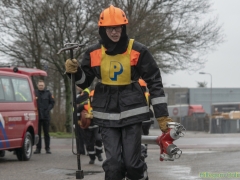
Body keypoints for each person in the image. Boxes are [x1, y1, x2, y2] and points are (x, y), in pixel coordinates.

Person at [65, 5, 172, 180]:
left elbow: (155, 82)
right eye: (110, 28)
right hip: (106, 114)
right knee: (113, 166)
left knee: (132, 164)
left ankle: (141, 174)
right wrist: (74, 72)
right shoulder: (93, 53)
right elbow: (84, 81)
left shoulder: (138, 50)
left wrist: (162, 116)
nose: (115, 32)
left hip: (133, 112)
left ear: (124, 28)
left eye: (118, 28)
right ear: (103, 29)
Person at [79, 89, 103, 164]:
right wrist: (79, 120)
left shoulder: (100, 105)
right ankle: (92, 158)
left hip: (96, 126)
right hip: (87, 127)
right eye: (92, 97)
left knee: (99, 139)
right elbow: (76, 112)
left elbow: (102, 116)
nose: (93, 99)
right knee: (89, 143)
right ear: (90, 98)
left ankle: (99, 153)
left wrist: (93, 116)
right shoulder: (84, 105)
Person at [34, 80, 55, 154]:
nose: (41, 87)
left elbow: (52, 103)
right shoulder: (34, 93)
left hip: (46, 116)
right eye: (39, 85)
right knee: (38, 133)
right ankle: (38, 148)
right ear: (37, 86)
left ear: (44, 85)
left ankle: (47, 148)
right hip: (38, 116)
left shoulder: (48, 93)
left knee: (46, 133)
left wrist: (47, 110)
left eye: (42, 85)